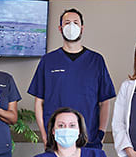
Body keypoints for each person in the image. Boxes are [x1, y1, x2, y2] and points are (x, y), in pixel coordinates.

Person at [28, 8, 116, 149]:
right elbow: (39, 102)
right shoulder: (48, 61)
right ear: (60, 28)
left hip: (89, 139)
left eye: (75, 22)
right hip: (56, 139)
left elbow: (104, 102)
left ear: (82, 28)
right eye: (67, 22)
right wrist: (45, 137)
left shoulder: (96, 60)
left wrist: (101, 134)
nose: (71, 26)